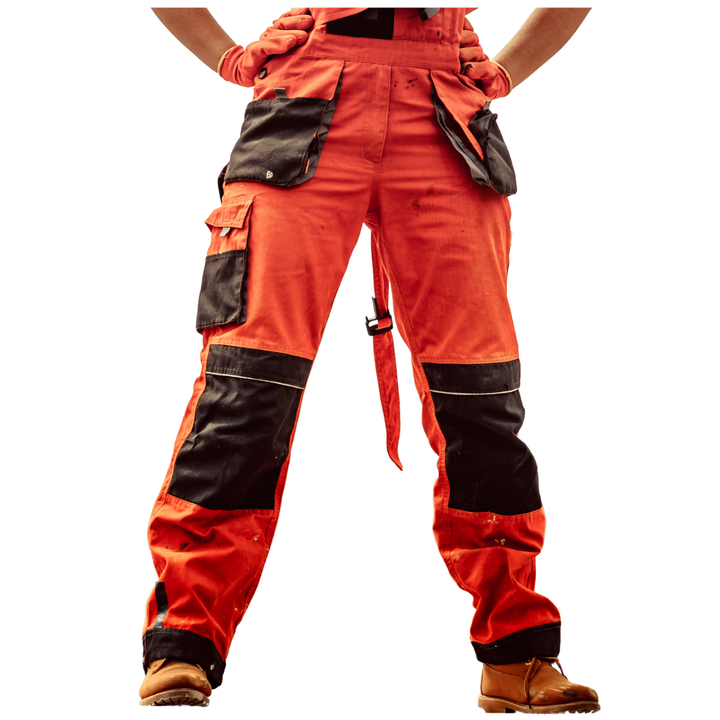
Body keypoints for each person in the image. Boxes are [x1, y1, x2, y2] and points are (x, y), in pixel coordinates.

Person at [139, 7, 599, 714]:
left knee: (479, 395)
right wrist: (230, 57)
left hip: (445, 112)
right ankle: (184, 642)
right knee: (248, 383)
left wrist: (505, 71)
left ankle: (518, 652)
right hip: (304, 98)